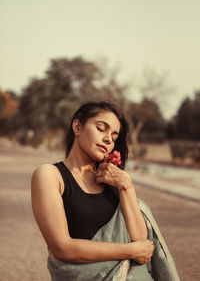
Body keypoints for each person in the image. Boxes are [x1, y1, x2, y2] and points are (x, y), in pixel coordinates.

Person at [31, 101, 179, 281]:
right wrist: (129, 251)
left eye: (114, 136)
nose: (108, 139)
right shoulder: (50, 176)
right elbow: (62, 247)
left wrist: (126, 187)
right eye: (101, 128)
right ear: (77, 127)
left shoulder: (113, 182)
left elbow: (140, 240)